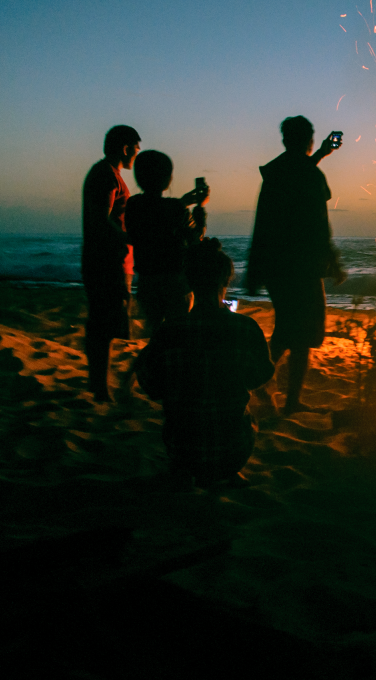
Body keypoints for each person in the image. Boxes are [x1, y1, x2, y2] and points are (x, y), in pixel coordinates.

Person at [138, 239, 275, 489]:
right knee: (249, 412)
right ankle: (226, 470)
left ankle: (185, 470)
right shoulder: (246, 328)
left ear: (188, 281)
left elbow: (151, 386)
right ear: (226, 280)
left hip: (181, 450)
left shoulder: (168, 332)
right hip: (233, 453)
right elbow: (260, 375)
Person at [245, 116, 346, 414]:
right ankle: (286, 399)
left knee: (286, 330)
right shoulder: (310, 177)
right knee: (302, 336)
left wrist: (255, 268)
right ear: (308, 139)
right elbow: (319, 225)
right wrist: (334, 262)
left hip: (277, 267)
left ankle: (256, 384)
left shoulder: (277, 173)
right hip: (303, 267)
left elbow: (262, 223)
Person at [81, 124, 139, 402]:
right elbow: (101, 219)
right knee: (103, 327)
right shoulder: (106, 175)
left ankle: (99, 384)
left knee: (105, 325)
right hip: (107, 261)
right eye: (136, 148)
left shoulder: (109, 174)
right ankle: (100, 388)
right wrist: (130, 238)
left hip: (113, 260)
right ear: (126, 148)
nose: (137, 154)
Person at [125, 150, 209, 336]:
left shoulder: (133, 205)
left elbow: (153, 214)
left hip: (147, 282)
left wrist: (182, 203)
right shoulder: (176, 208)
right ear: (167, 179)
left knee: (155, 333)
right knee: (178, 334)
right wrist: (200, 208)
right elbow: (196, 237)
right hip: (176, 283)